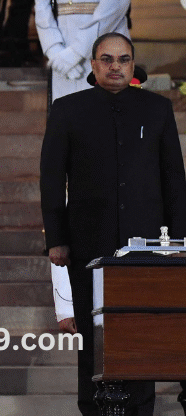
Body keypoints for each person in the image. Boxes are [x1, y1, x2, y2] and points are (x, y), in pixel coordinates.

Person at [41, 33, 186, 416]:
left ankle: (141, 410)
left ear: (132, 64)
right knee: (93, 339)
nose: (115, 66)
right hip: (90, 244)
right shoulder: (68, 109)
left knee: (143, 334)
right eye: (107, 59)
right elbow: (52, 178)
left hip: (149, 250)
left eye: (123, 59)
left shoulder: (156, 109)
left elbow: (174, 179)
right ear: (93, 64)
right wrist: (56, 239)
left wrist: (180, 241)